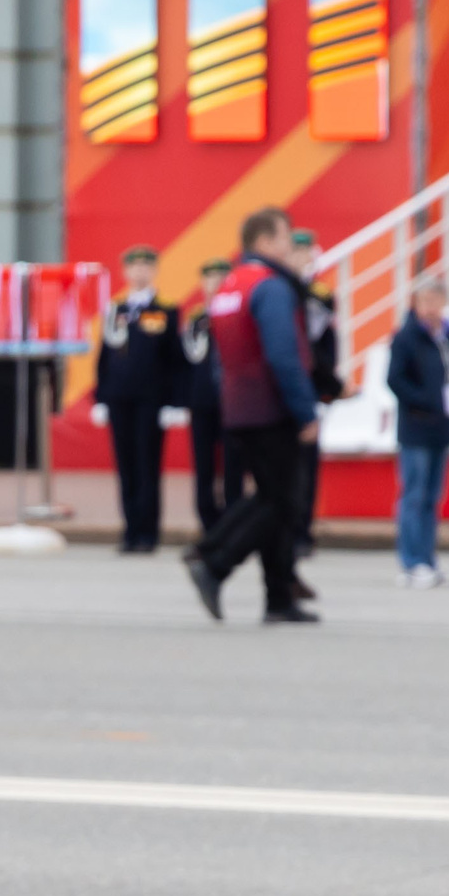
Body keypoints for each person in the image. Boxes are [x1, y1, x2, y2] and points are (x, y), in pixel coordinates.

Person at [183, 206, 321, 625]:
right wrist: (305, 410)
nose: (289, 247)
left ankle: (278, 596)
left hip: (239, 405)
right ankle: (213, 558)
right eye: (284, 238)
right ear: (264, 242)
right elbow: (283, 354)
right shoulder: (270, 287)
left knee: (274, 499)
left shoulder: (231, 285)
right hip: (270, 408)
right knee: (280, 500)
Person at [94, 244, 181, 553]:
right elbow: (105, 355)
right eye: (134, 267)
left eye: (146, 266)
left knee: (147, 465)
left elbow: (174, 359)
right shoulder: (116, 309)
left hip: (151, 399)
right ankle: (130, 530)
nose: (140, 272)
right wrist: (101, 397)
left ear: (154, 270)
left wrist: (173, 402)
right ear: (125, 271)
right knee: (126, 465)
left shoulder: (166, 309)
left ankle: (147, 533)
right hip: (119, 397)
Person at [385, 276, 449, 588]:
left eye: (436, 301)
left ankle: (428, 558)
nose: (431, 308)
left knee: (432, 497)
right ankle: (411, 561)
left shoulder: (448, 336)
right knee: (414, 494)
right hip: (416, 427)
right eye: (425, 302)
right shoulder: (406, 337)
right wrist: (424, 402)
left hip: (442, 427)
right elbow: (395, 379)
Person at [287, 227, 341, 590]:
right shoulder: (278, 289)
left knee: (306, 465)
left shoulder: (319, 296)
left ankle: (302, 531)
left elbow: (325, 345)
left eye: (304, 251)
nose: (300, 257)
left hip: (309, 386)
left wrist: (327, 388)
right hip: (283, 388)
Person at [181, 258, 241, 531]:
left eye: (222, 278)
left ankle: (233, 523)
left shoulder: (239, 314)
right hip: (202, 402)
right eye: (210, 278)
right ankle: (208, 524)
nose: (216, 283)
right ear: (202, 283)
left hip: (234, 402)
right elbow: (184, 362)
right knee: (203, 466)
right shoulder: (195, 319)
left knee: (234, 465)